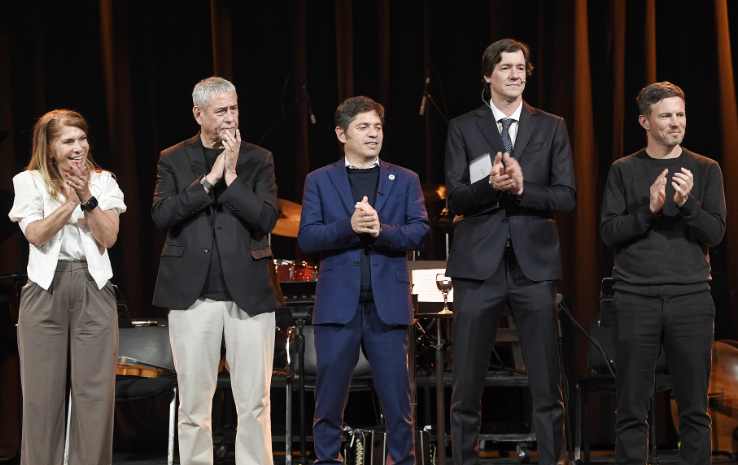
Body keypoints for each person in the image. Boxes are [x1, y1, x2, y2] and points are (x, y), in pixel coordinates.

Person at [444, 38, 577, 465]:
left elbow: (566, 196)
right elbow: (456, 198)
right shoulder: (463, 127)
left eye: (521, 68)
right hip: (477, 267)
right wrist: (490, 187)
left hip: (533, 266)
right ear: (488, 76)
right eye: (506, 68)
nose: (516, 75)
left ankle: (552, 459)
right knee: (466, 384)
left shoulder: (551, 126)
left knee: (546, 383)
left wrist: (522, 188)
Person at [151, 76, 284, 465]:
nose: (230, 118)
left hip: (249, 293)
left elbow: (266, 219)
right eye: (221, 110)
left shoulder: (259, 158)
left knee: (255, 402)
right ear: (199, 114)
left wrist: (231, 178)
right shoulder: (172, 158)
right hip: (192, 295)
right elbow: (162, 214)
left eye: (234, 109)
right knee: (194, 402)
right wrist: (208, 181)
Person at [298, 96, 431, 465]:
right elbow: (307, 237)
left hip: (388, 308)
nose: (373, 134)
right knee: (329, 401)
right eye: (363, 127)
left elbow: (421, 233)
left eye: (377, 127)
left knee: (398, 402)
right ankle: (328, 461)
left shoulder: (405, 179)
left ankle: (401, 461)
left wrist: (380, 230)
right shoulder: (319, 180)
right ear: (342, 134)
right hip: (337, 308)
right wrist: (350, 226)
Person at [600, 82, 725, 465]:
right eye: (666, 115)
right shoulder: (624, 169)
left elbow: (715, 233)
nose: (676, 122)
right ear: (645, 121)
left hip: (691, 300)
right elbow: (609, 233)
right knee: (631, 409)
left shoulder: (706, 168)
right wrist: (649, 209)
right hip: (635, 299)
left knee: (695, 409)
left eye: (680, 114)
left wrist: (687, 205)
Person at [9, 109, 126, 465]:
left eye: (82, 139)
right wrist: (70, 202)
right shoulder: (28, 182)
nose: (78, 148)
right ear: (49, 148)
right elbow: (36, 234)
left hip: (94, 287)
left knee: (95, 397)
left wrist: (87, 196)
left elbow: (108, 236)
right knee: (41, 399)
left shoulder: (104, 182)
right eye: (68, 141)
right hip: (45, 289)